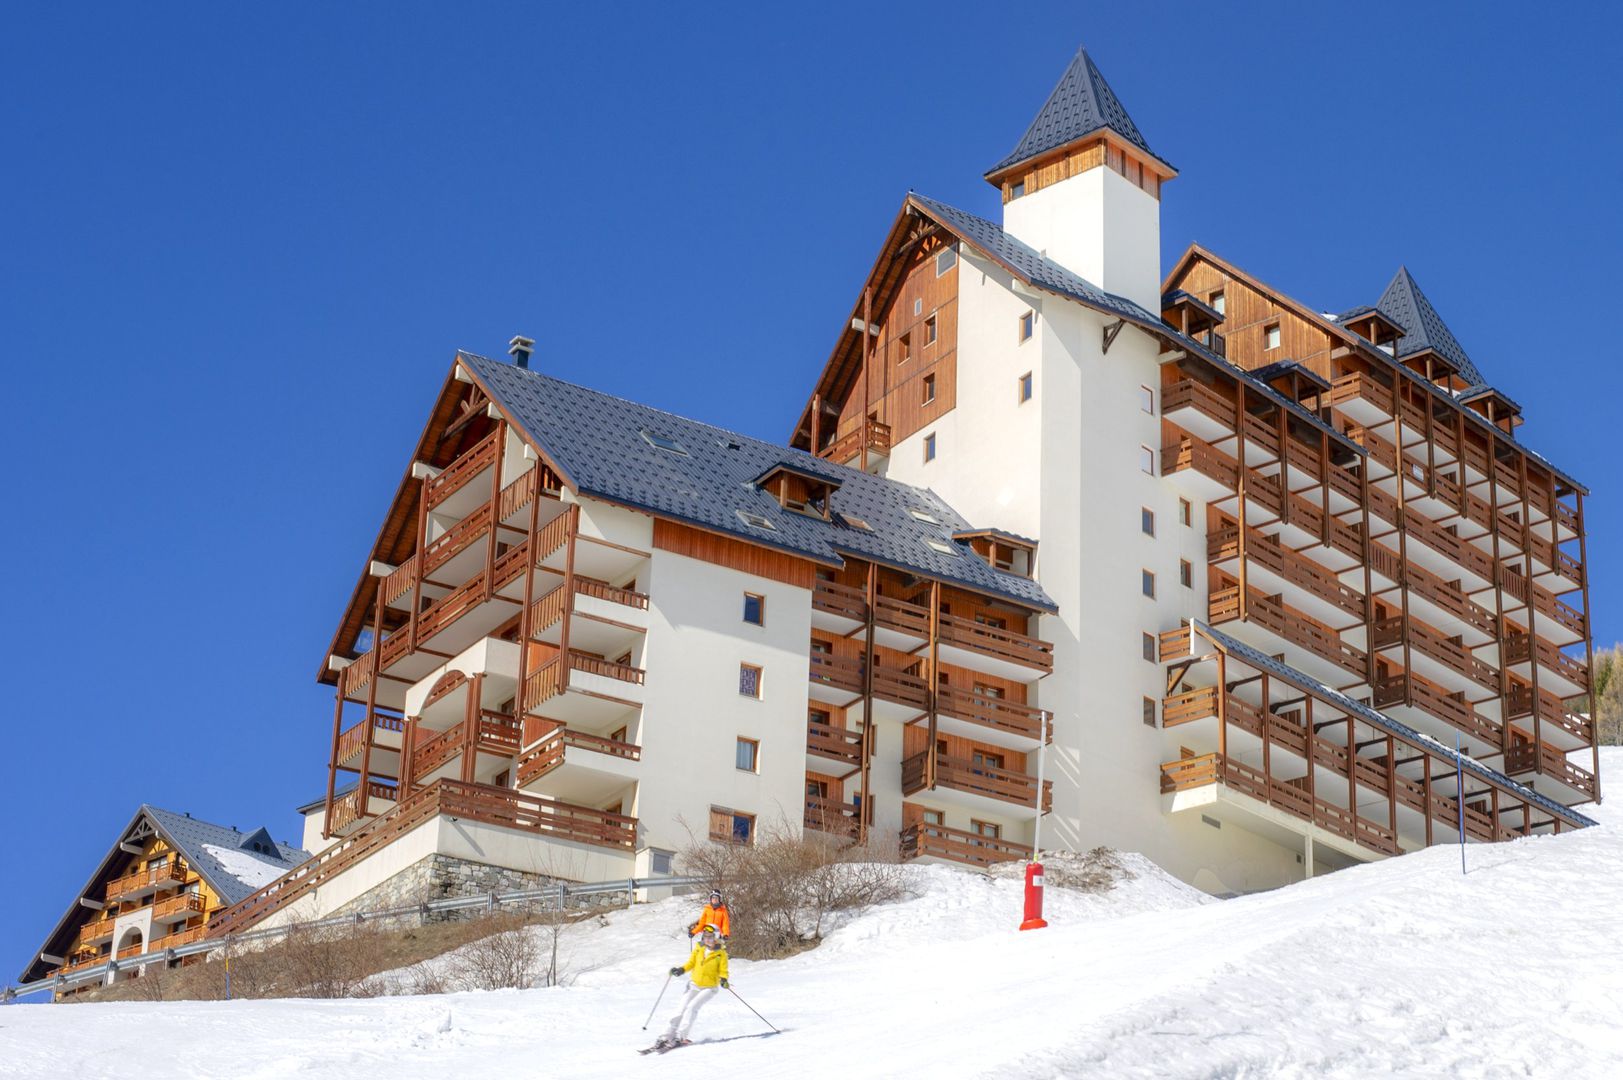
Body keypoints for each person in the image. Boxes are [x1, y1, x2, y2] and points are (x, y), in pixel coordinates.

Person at [656, 923, 729, 1050]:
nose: (707, 939)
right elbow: (691, 963)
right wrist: (681, 970)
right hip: (694, 984)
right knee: (680, 1009)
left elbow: (723, 970)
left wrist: (723, 979)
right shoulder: (698, 947)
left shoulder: (720, 953)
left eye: (710, 937)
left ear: (716, 937)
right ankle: (667, 1036)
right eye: (705, 936)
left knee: (692, 1007)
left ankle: (680, 1036)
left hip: (709, 988)